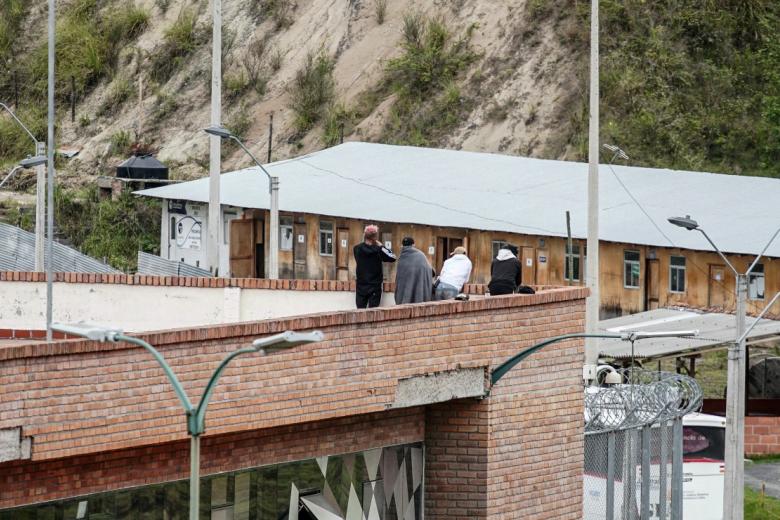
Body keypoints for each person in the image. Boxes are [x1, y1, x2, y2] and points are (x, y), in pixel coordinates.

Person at [354, 225, 396, 308]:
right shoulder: (379, 250)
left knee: (359, 312)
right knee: (373, 313)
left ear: (364, 235)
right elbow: (392, 257)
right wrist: (382, 246)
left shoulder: (357, 248)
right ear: (375, 237)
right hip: (375, 286)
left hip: (361, 285)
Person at [395, 237, 434, 304]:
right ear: (413, 245)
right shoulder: (420, 255)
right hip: (419, 286)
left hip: (404, 289)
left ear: (402, 245)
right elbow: (430, 270)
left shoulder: (401, 256)